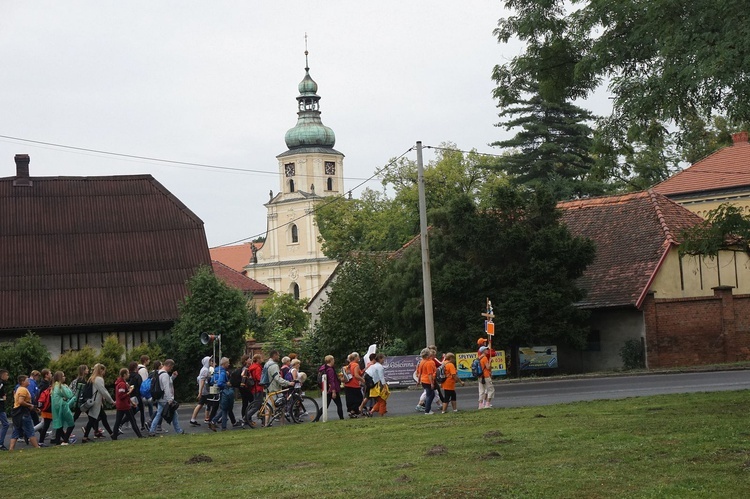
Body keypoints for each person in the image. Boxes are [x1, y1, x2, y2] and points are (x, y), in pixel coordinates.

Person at [148, 359, 184, 436]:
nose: (171, 369)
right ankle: (179, 431)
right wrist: (169, 399)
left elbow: (167, 382)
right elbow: (166, 387)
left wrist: (173, 377)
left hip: (160, 397)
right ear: (169, 365)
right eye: (171, 367)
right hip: (165, 398)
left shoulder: (159, 372)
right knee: (174, 413)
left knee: (158, 414)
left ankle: (151, 431)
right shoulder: (164, 375)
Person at [82, 363, 115, 442]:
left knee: (101, 418)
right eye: (104, 371)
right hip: (96, 402)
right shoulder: (99, 379)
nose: (104, 373)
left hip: (92, 401)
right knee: (93, 420)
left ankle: (112, 434)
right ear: (101, 370)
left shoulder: (92, 378)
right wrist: (111, 401)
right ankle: (112, 434)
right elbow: (103, 391)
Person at [8, 375, 41, 450]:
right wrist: (30, 405)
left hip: (17, 413)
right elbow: (21, 401)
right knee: (30, 430)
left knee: (16, 430)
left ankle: (11, 449)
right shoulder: (23, 390)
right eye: (27, 380)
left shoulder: (19, 389)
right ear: (22, 382)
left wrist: (34, 408)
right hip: (22, 412)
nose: (29, 382)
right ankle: (37, 447)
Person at [264, 350, 294, 427]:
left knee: (268, 408)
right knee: (281, 407)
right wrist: (288, 383)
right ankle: (282, 425)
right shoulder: (274, 365)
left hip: (268, 388)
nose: (279, 357)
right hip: (274, 389)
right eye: (278, 355)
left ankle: (266, 424)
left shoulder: (267, 364)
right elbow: (277, 378)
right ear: (274, 355)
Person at [113, 368, 142, 439]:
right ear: (124, 375)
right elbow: (122, 396)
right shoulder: (122, 384)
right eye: (128, 373)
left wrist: (132, 402)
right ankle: (139, 436)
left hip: (120, 405)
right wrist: (129, 391)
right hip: (125, 405)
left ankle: (114, 437)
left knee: (118, 421)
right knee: (133, 421)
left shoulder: (120, 383)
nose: (129, 375)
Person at [49, 371, 76, 445]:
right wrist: (67, 388)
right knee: (71, 424)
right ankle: (65, 440)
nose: (65, 377)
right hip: (63, 407)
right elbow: (69, 395)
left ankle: (58, 441)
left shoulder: (54, 386)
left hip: (56, 409)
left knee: (59, 425)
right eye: (63, 376)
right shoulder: (61, 386)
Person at [208, 357, 233, 431]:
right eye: (228, 363)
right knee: (225, 409)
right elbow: (220, 383)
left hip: (216, 392)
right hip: (223, 392)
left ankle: (222, 426)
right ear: (224, 364)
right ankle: (216, 422)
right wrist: (227, 384)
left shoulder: (216, 371)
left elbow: (212, 381)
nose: (229, 364)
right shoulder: (222, 372)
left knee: (224, 409)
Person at [190, 356, 213, 427]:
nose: (211, 362)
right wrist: (200, 392)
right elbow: (202, 381)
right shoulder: (205, 370)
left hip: (204, 390)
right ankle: (207, 419)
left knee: (203, 404)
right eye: (210, 361)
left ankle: (194, 419)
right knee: (206, 404)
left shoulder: (205, 369)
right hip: (205, 390)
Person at [318, 355, 344, 420]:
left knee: (325, 405)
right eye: (333, 360)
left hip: (326, 389)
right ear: (331, 360)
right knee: (339, 405)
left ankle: (317, 418)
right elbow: (331, 381)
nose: (334, 361)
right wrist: (333, 391)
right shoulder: (330, 370)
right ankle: (341, 418)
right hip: (332, 389)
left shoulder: (324, 368)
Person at [243, 354, 264, 428]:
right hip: (258, 388)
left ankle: (264, 421)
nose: (262, 359)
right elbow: (259, 378)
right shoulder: (257, 368)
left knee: (260, 405)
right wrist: (264, 381)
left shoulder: (252, 367)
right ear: (258, 359)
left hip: (253, 388)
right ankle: (245, 418)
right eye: (261, 358)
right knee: (257, 405)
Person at [343, 352, 365, 418]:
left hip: (347, 384)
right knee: (359, 398)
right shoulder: (356, 365)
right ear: (355, 358)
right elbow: (356, 375)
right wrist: (363, 380)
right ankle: (356, 411)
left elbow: (359, 373)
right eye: (358, 356)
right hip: (354, 384)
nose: (359, 358)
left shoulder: (349, 365)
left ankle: (352, 411)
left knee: (350, 399)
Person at [416, 348, 437, 415]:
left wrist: (418, 381)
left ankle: (427, 409)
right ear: (428, 355)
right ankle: (427, 410)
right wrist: (432, 383)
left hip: (423, 380)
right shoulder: (430, 363)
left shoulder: (422, 361)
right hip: (428, 381)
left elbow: (419, 372)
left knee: (431, 394)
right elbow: (430, 374)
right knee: (430, 395)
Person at [127, 361, 145, 432]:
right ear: (135, 368)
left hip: (130, 395)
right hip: (137, 395)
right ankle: (142, 425)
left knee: (132, 411)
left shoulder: (128, 376)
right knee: (141, 410)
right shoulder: (137, 376)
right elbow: (140, 386)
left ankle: (122, 422)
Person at [36, 368, 53, 444]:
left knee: (45, 424)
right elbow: (43, 397)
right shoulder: (45, 385)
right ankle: (40, 441)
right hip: (47, 407)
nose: (51, 374)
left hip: (46, 407)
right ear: (46, 375)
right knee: (46, 424)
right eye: (50, 373)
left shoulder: (43, 384)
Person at [0, 368, 10, 450]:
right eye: (7, 375)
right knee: (6, 424)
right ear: (2, 375)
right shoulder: (1, 384)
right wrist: (3, 398)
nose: (8, 377)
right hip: (0, 408)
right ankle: (0, 443)